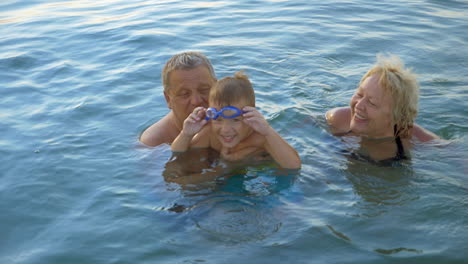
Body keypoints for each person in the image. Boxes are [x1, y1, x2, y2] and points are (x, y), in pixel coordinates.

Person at [171, 71, 301, 170]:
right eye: (219, 120)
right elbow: (178, 155)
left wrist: (268, 131)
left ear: (250, 115)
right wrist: (186, 134)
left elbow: (294, 166)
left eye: (236, 120)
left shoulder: (261, 138)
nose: (225, 129)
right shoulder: (210, 134)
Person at [326, 54, 440, 161]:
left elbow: (454, 154)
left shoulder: (412, 139)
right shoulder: (336, 120)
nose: (359, 105)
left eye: (372, 103)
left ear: (397, 117)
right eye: (359, 95)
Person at [139, 51, 217, 147]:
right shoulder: (154, 142)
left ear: (217, 87)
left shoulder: (233, 116)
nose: (196, 101)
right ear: (168, 99)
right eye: (184, 94)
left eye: (204, 90)